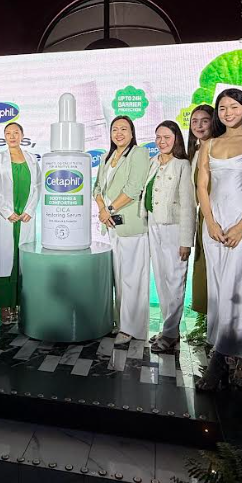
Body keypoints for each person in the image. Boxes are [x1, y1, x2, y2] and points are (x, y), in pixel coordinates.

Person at [196, 89, 242, 391]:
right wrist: (210, 222)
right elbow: (202, 187)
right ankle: (222, 354)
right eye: (222, 108)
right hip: (214, 224)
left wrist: (240, 226)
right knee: (217, 291)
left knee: (239, 289)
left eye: (234, 107)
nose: (228, 113)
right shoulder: (209, 144)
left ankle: (241, 360)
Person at [93, 115, 151, 345]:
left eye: (124, 129)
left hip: (131, 225)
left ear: (132, 132)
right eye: (115, 129)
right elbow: (97, 188)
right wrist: (102, 210)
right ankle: (120, 323)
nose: (119, 133)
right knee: (119, 277)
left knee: (133, 278)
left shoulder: (138, 153)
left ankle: (132, 329)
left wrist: (109, 208)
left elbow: (134, 188)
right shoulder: (106, 157)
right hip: (110, 225)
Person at [144, 121, 195, 354]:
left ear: (176, 139)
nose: (161, 141)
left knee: (175, 280)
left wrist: (186, 241)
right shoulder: (153, 162)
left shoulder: (182, 164)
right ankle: (169, 329)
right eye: (158, 137)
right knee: (162, 280)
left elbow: (188, 205)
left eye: (166, 137)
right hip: (153, 225)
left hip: (174, 228)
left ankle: (171, 333)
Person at [0, 123, 41, 325]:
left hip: (24, 218)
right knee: (3, 261)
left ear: (22, 135)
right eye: (8, 133)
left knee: (21, 262)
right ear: (4, 137)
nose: (12, 136)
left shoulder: (32, 159)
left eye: (16, 132)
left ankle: (19, 304)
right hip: (5, 217)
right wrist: (8, 212)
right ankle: (5, 307)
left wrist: (29, 211)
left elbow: (38, 186)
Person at [186, 104, 214, 318]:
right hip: (200, 217)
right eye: (194, 121)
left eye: (204, 120)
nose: (199, 125)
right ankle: (209, 322)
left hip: (217, 216)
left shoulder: (219, 149)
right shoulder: (193, 152)